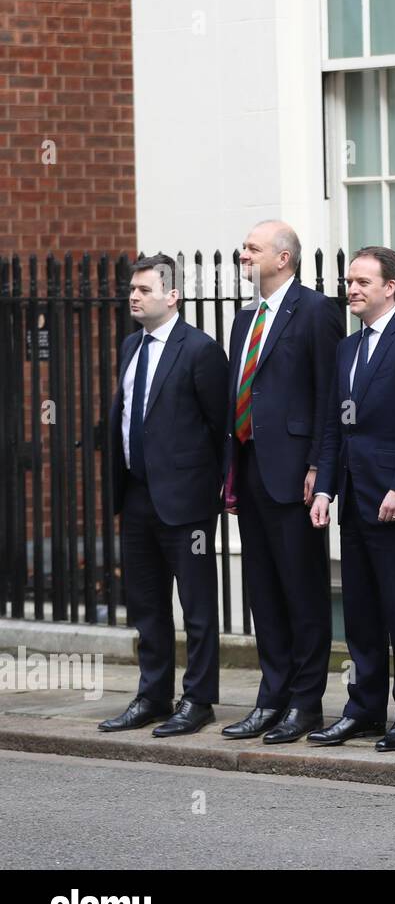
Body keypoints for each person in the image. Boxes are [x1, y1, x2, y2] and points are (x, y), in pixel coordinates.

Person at [308, 246, 395, 752]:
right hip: (353, 498)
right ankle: (363, 709)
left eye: (363, 281)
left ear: (391, 287)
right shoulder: (346, 349)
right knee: (361, 613)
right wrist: (324, 486)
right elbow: (333, 425)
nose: (353, 289)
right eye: (349, 281)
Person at [221, 221, 344, 744]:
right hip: (250, 468)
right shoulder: (243, 317)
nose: (243, 254)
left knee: (302, 589)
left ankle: (305, 703)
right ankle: (270, 698)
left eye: (253, 248)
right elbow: (237, 394)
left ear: (284, 258)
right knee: (264, 592)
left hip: (295, 473)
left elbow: (328, 394)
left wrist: (318, 467)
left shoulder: (315, 311)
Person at [99, 254, 228, 738]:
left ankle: (198, 700)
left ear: (172, 296)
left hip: (187, 500)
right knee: (147, 604)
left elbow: (221, 428)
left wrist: (215, 489)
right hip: (136, 494)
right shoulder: (131, 345)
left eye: (144, 289)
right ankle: (152, 696)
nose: (134, 296)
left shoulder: (199, 349)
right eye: (132, 288)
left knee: (196, 606)